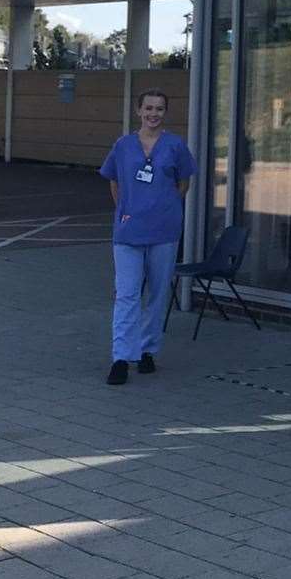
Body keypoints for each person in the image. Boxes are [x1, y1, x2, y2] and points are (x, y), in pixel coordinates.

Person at [99, 90, 196, 386]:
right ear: (138, 111)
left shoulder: (175, 145)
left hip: (164, 231)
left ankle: (147, 351)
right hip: (129, 231)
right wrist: (128, 211)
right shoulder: (123, 145)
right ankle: (120, 357)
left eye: (160, 109)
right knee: (127, 293)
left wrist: (164, 209)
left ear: (165, 113)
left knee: (157, 293)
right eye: (149, 108)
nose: (154, 113)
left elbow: (184, 182)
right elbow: (114, 182)